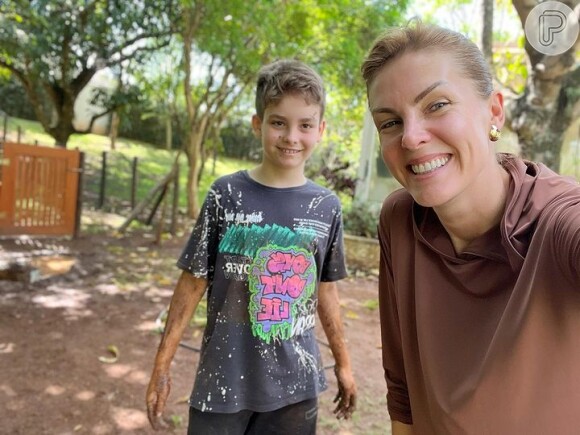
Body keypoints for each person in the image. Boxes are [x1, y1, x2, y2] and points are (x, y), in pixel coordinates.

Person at [361, 22, 580, 435]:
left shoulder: (556, 220)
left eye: (437, 105)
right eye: (390, 122)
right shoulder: (400, 219)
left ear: (494, 111)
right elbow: (403, 388)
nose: (411, 137)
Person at [146, 59, 357, 434]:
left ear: (320, 130)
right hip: (222, 384)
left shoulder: (326, 207)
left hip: (295, 388)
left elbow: (325, 290)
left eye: (305, 125)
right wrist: (162, 365)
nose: (292, 136)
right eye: (279, 122)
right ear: (258, 124)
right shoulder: (225, 194)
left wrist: (343, 362)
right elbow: (192, 283)